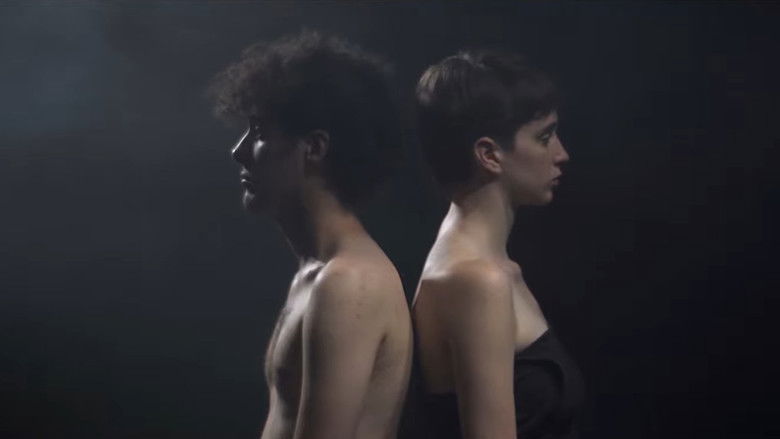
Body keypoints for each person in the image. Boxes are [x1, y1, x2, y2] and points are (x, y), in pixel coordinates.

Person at [209, 31, 412, 439]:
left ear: (314, 148)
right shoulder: (320, 272)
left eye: (259, 131)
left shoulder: (348, 283)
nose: (239, 150)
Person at [409, 50, 584, 438]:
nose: (562, 154)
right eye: (544, 137)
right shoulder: (475, 279)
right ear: (489, 155)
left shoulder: (483, 268)